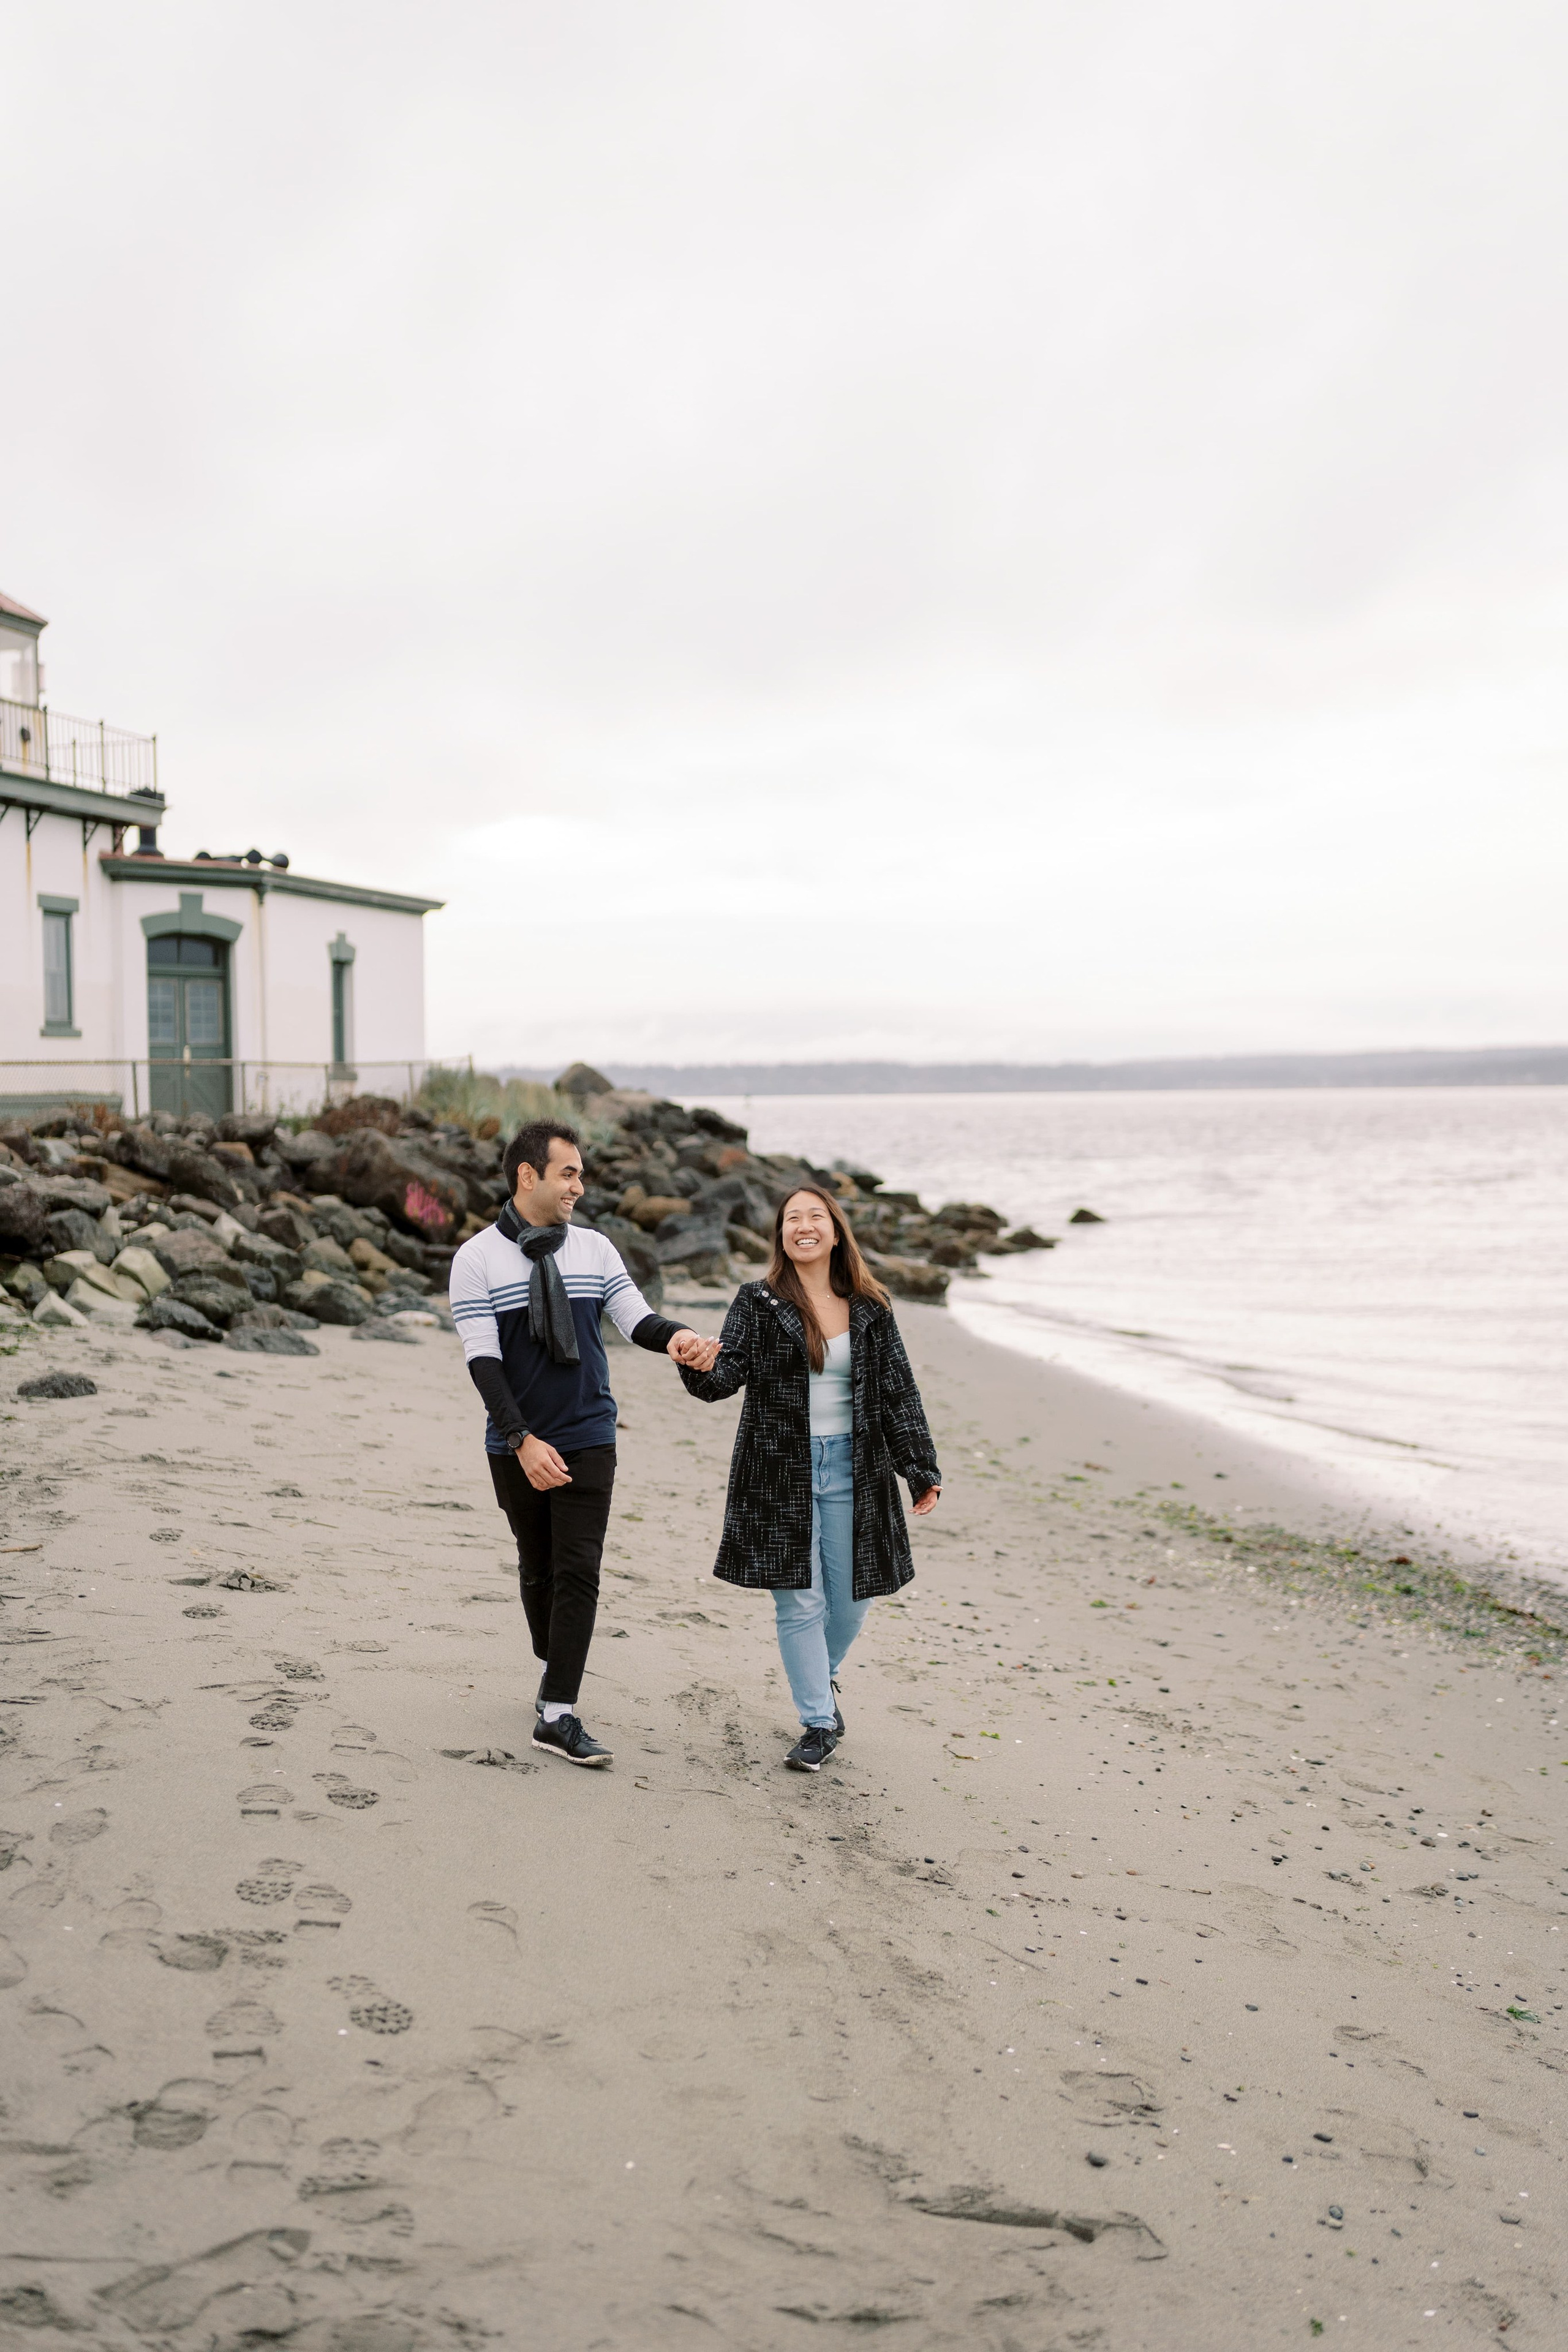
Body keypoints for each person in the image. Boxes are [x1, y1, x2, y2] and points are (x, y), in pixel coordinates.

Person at [449, 1118, 720, 1766]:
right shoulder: (477, 1259)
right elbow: (483, 1362)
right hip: (516, 1442)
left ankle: (558, 1713)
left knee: (579, 1570)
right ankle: (555, 1665)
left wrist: (678, 1339)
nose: (579, 1184)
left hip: (590, 1433)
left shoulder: (595, 1250)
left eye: (579, 1172)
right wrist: (521, 1440)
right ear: (528, 1175)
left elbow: (637, 1319)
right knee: (538, 1568)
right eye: (567, 1172)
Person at [679, 1185, 941, 1771]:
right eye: (792, 1218)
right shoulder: (759, 1301)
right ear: (781, 1236)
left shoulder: (872, 1306)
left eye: (815, 1216)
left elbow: (899, 1394)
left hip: (857, 1466)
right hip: (779, 1471)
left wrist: (919, 1468)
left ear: (835, 1230)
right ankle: (818, 1721)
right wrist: (694, 1360)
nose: (803, 1225)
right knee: (799, 1601)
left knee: (853, 1598)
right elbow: (724, 1377)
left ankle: (823, 1681)